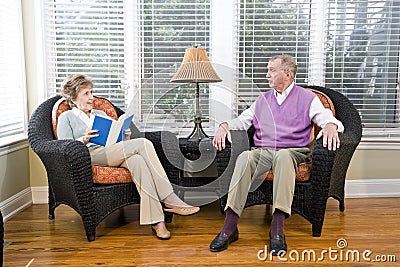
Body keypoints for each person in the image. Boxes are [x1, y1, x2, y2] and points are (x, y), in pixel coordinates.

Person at [209, 54, 344, 254]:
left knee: (282, 157)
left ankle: (278, 227)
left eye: (272, 70)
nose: (267, 75)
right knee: (245, 157)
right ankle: (230, 226)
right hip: (264, 151)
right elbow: (242, 121)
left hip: (293, 151)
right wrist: (224, 126)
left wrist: (332, 125)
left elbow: (326, 118)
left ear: (287, 74)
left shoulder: (308, 98)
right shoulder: (263, 99)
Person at [57, 74, 200, 240]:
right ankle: (169, 198)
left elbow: (114, 139)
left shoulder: (100, 114)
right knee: (143, 144)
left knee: (137, 161)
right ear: (74, 98)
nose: (91, 97)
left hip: (111, 151)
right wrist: (84, 139)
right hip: (88, 155)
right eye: (86, 94)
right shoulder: (66, 117)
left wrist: (124, 136)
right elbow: (64, 147)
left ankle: (157, 222)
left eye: (91, 92)